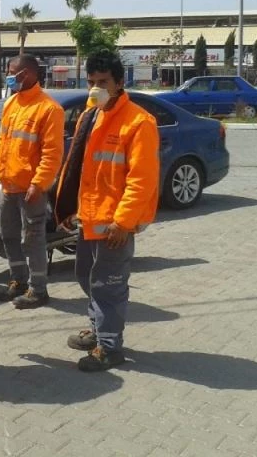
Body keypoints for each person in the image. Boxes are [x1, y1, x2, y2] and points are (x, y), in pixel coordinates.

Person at [55, 49, 160, 372]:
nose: (95, 88)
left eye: (103, 82)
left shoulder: (138, 123)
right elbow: (81, 170)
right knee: (87, 277)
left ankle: (110, 348)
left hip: (114, 224)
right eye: (91, 82)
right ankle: (99, 329)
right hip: (90, 219)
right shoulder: (93, 115)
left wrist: (124, 222)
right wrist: (71, 208)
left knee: (108, 286)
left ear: (119, 82)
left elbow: (141, 180)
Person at [0, 55, 65, 309]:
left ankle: (38, 290)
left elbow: (52, 154)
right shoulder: (11, 104)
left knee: (33, 240)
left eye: (12, 72)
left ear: (28, 74)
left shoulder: (49, 109)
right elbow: (3, 142)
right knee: (8, 236)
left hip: (31, 189)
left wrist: (38, 184)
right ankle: (18, 280)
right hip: (8, 185)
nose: (9, 76)